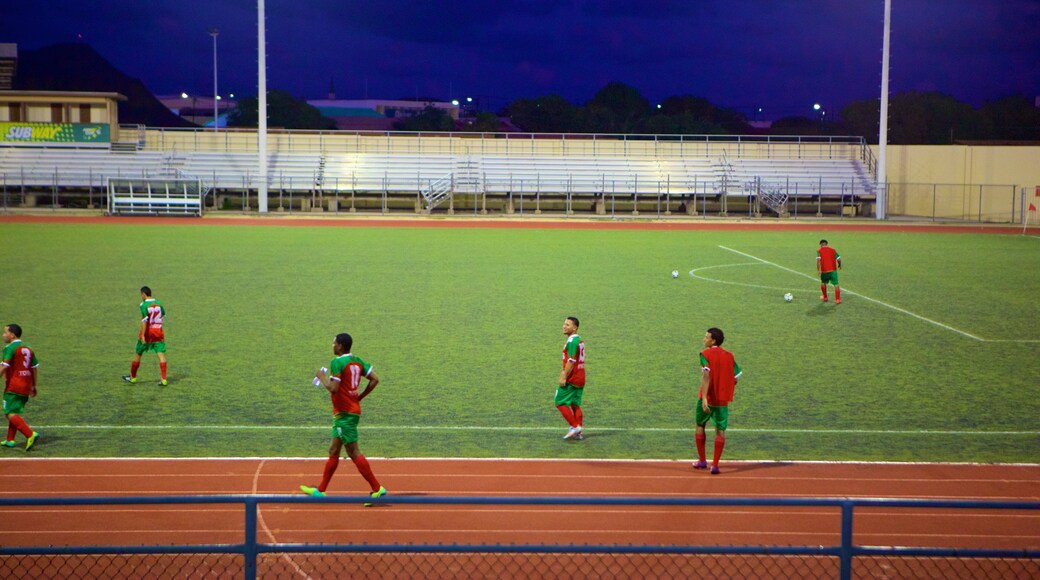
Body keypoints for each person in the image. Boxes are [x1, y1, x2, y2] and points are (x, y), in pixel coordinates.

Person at [300, 332, 387, 504]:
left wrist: (321, 377)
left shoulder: (337, 362)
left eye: (334, 343)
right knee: (333, 451)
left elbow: (333, 388)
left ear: (340, 345)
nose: (332, 345)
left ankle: (377, 489)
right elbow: (374, 379)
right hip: (347, 412)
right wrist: (359, 397)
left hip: (345, 414)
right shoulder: (357, 360)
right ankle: (321, 491)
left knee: (353, 452)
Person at [693, 327, 742, 475]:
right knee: (720, 430)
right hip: (721, 401)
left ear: (713, 340)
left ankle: (702, 461)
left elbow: (706, 376)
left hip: (707, 398)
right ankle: (715, 465)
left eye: (706, 337)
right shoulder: (729, 356)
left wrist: (705, 398)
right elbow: (736, 377)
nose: (704, 339)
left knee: (700, 425)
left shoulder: (705, 354)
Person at [2, 324, 40, 451]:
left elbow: (4, 366)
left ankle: (30, 434)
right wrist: (34, 385)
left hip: (14, 385)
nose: (3, 335)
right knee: (15, 410)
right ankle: (10, 440)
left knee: (9, 412)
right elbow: (34, 368)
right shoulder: (27, 347)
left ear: (12, 335)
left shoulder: (9, 348)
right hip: (26, 384)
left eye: (5, 332)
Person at [122, 286, 168, 386]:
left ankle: (133, 377)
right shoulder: (159, 303)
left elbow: (144, 321)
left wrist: (143, 335)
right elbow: (162, 316)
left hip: (148, 332)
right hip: (158, 331)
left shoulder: (143, 305)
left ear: (143, 294)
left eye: (141, 295)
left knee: (138, 353)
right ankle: (164, 379)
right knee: (161, 354)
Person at [555, 316, 586, 440]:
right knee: (574, 404)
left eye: (568, 325)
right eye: (564, 324)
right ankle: (579, 432)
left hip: (572, 378)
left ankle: (574, 427)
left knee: (559, 402)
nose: (564, 326)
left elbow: (571, 360)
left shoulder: (572, 341)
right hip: (581, 377)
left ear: (575, 328)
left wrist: (564, 376)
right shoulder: (579, 340)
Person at [817, 239, 842, 304]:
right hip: (833, 271)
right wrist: (839, 265)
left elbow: (818, 261)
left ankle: (825, 298)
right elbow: (839, 259)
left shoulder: (819, 251)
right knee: (836, 284)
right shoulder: (833, 250)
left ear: (821, 244)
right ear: (826, 244)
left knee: (823, 283)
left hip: (824, 271)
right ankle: (837, 300)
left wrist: (818, 270)